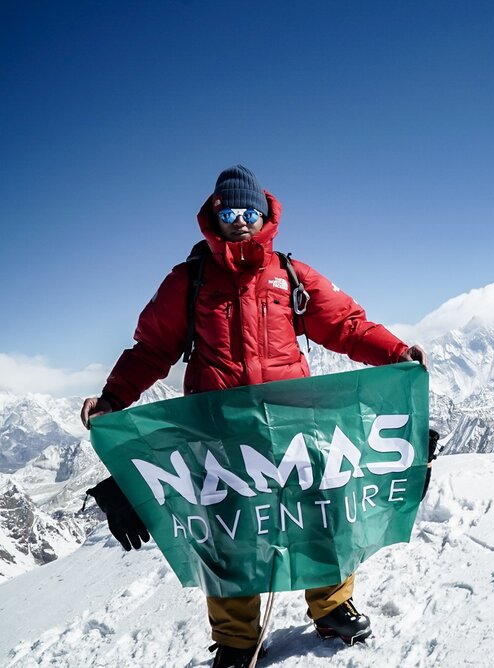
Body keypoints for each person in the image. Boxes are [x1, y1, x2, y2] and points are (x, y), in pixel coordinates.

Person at [80, 165, 425, 668]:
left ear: (264, 215)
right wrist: (113, 399)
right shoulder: (188, 281)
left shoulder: (290, 275)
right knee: (228, 534)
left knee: (319, 514)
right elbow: (152, 349)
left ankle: (331, 608)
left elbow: (346, 326)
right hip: (217, 428)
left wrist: (395, 354)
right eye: (228, 211)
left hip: (293, 422)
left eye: (248, 211)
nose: (239, 220)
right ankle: (238, 639)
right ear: (213, 218)